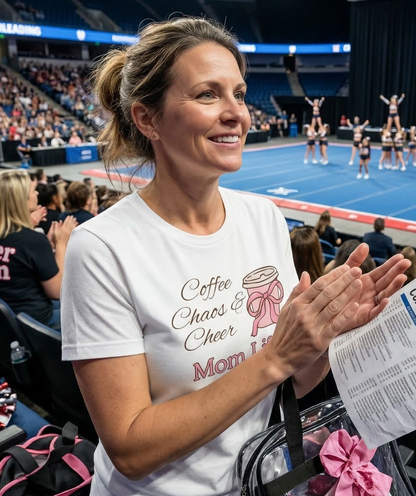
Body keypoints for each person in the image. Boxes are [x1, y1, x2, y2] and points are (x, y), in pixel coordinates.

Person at [60, 17, 410, 496]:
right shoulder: (101, 248)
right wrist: (275, 356)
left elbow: (291, 384)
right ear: (148, 119)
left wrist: (328, 339)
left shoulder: (263, 217)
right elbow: (130, 449)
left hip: (261, 481)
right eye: (208, 94)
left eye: (240, 94)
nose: (238, 114)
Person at [0, 170, 76, 328]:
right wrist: (61, 243)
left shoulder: (25, 239)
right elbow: (56, 292)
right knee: (82, 308)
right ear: (21, 199)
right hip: (34, 323)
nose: (36, 193)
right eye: (32, 190)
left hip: (8, 321)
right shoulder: (32, 240)